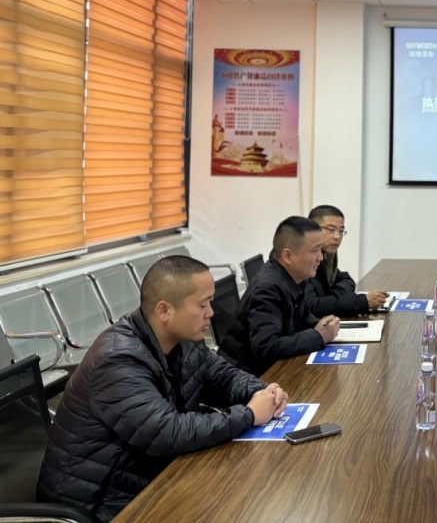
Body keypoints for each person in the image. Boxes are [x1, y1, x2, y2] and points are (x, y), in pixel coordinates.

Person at [36, 256, 287, 522]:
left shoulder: (183, 339)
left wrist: (261, 392)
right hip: (102, 503)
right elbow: (166, 432)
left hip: (150, 476)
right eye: (202, 305)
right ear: (165, 310)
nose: (211, 313)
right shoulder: (117, 359)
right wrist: (249, 415)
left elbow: (221, 376)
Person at [219, 216, 340, 376]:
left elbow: (301, 318)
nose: (321, 257)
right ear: (288, 256)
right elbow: (266, 347)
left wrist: (321, 325)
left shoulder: (294, 277)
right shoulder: (268, 289)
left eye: (320, 250)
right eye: (315, 250)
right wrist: (317, 336)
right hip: (245, 376)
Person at [305, 205, 387, 317]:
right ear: (312, 229)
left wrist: (330, 298)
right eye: (331, 230)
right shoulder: (303, 258)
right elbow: (311, 306)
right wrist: (361, 302)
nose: (337, 236)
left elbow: (346, 280)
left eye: (341, 231)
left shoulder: (327, 256)